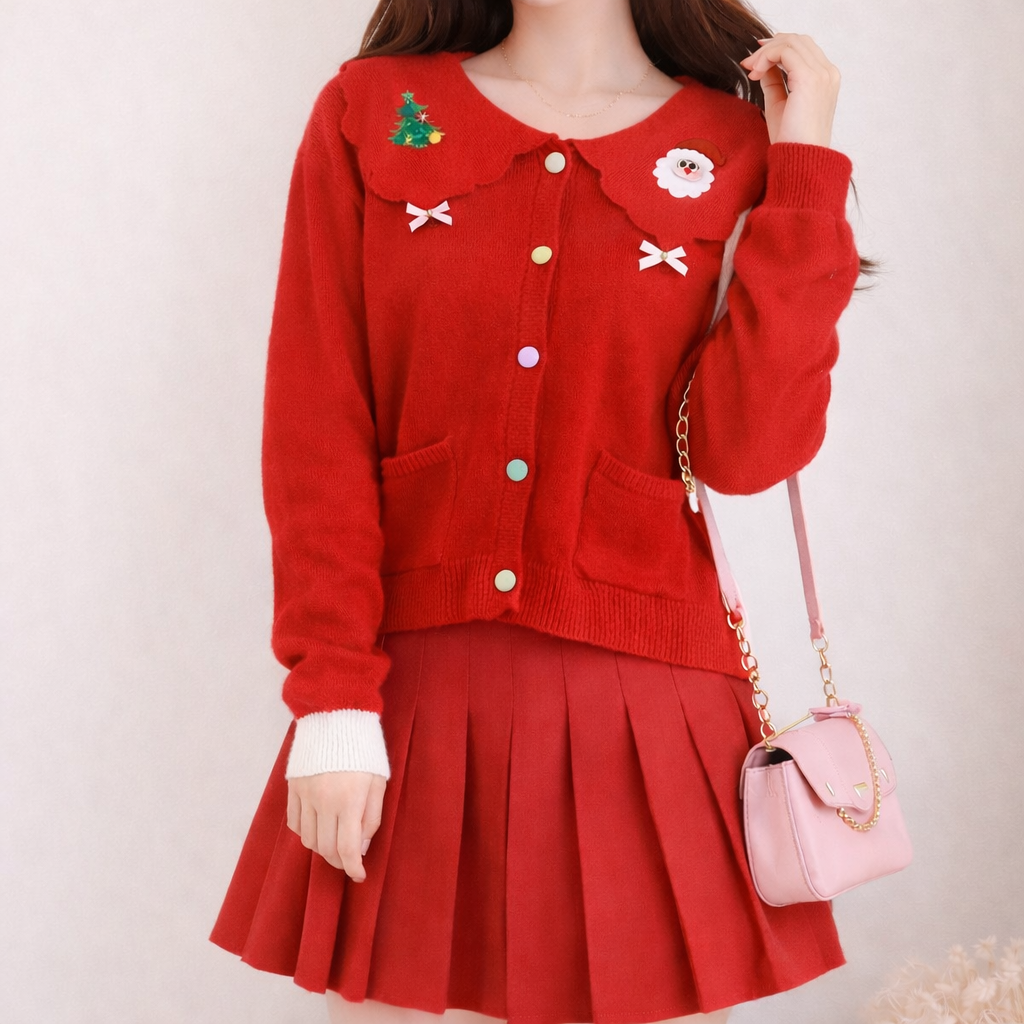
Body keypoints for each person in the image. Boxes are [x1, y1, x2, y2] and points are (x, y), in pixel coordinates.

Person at [209, 1, 867, 1022]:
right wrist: (332, 699)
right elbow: (316, 422)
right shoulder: (375, 112)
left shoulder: (733, 143)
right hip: (418, 702)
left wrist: (805, 168)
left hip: (651, 719)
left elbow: (748, 454)